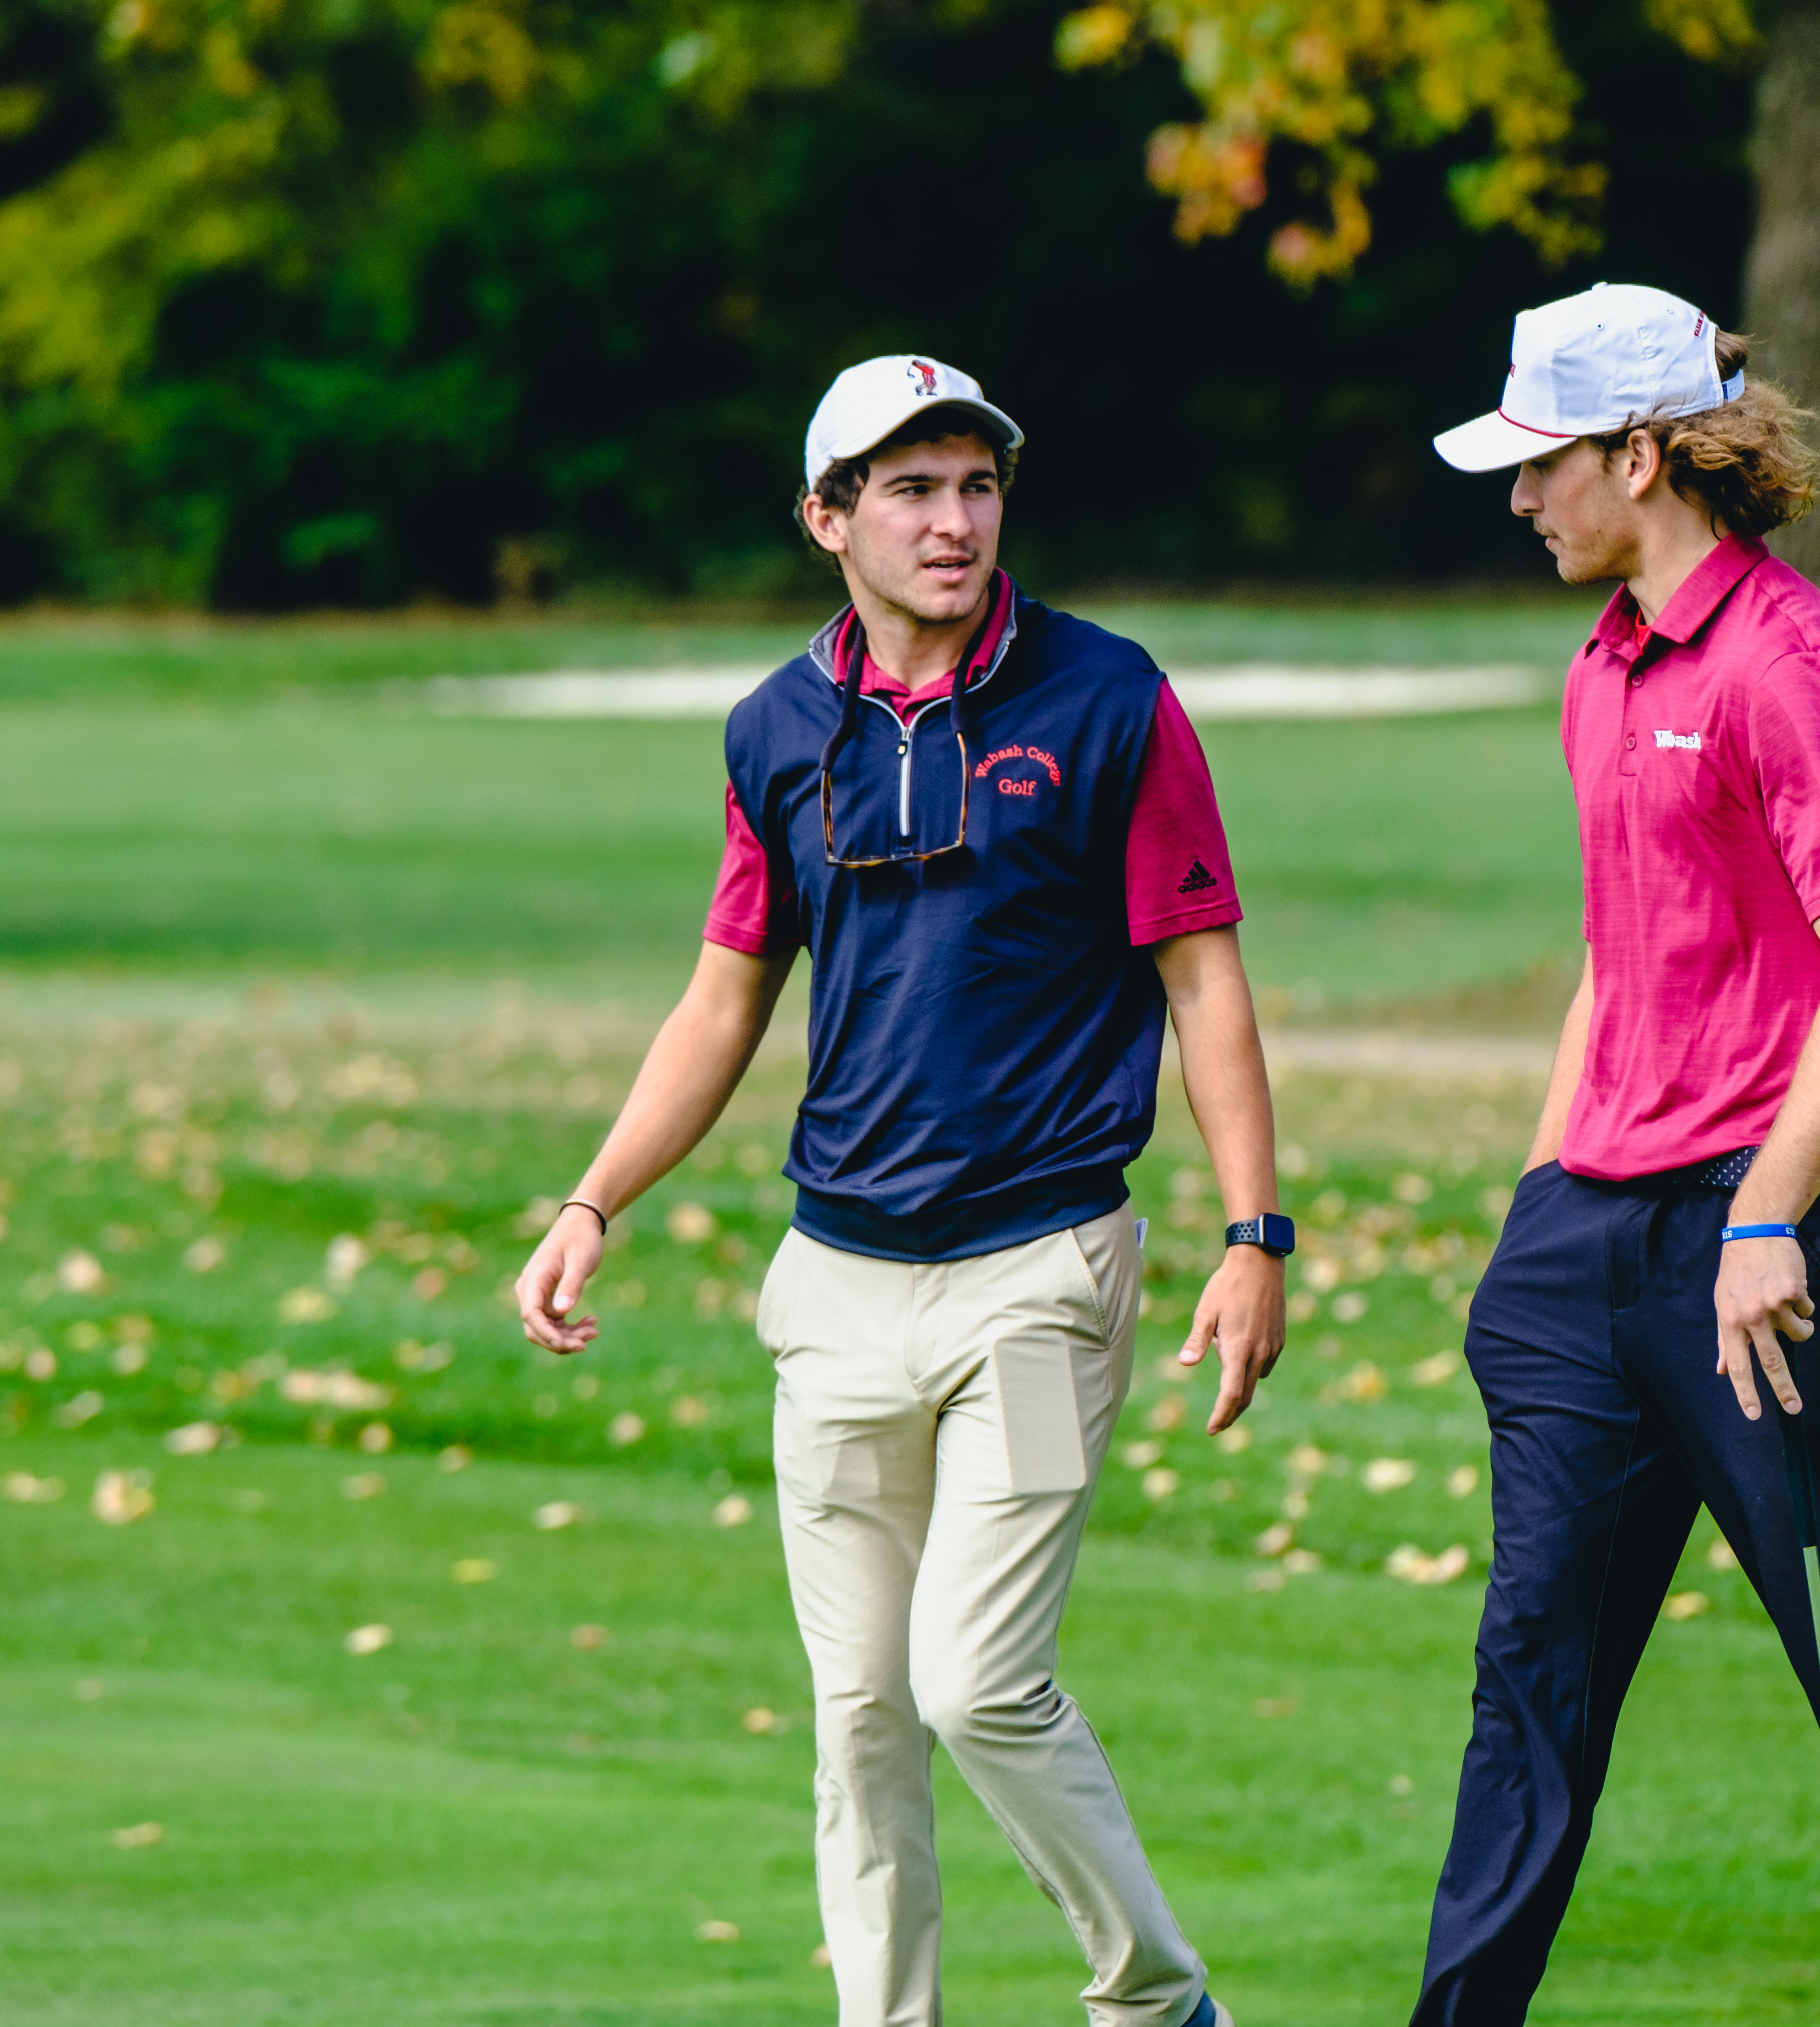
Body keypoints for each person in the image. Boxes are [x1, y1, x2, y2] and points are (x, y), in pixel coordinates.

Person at [514, 353, 1287, 2027]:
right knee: (859, 1709)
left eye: (978, 486)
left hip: (1040, 1259)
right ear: (828, 519)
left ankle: (1156, 2001)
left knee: (976, 1684)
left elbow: (1201, 974)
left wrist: (1252, 1231)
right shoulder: (777, 730)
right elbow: (726, 993)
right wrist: (592, 1202)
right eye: (912, 490)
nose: (954, 522)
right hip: (840, 1275)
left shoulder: (1109, 697)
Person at [1412, 284, 1820, 2026]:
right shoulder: (1606, 664)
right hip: (1596, 1246)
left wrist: (1766, 1217)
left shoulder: (1792, 662)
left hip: (1776, 1246)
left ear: (1640, 454)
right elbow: (1616, 964)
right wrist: (1540, 1207)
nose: (1524, 496)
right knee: (1528, 1687)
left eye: (1545, 463)